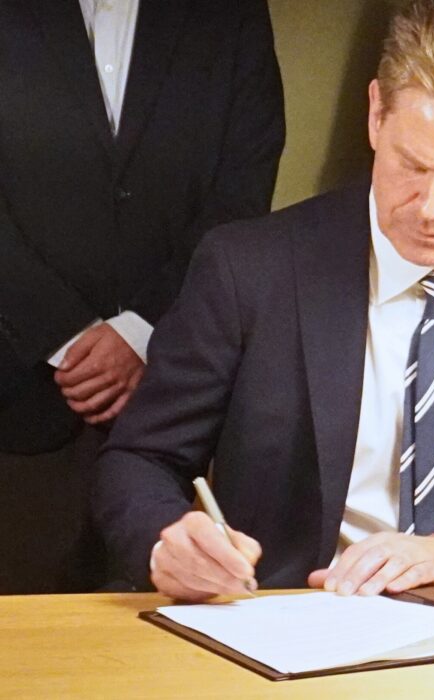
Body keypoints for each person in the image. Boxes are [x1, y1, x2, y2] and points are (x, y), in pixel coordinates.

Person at [93, 0, 434, 602]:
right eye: (412, 164)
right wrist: (165, 541)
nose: (432, 206)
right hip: (282, 623)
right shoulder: (247, 270)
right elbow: (137, 461)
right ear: (376, 115)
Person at [0, 0, 285, 594]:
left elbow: (245, 179)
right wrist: (65, 333)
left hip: (170, 402)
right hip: (15, 387)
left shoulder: (230, 16)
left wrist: (143, 329)